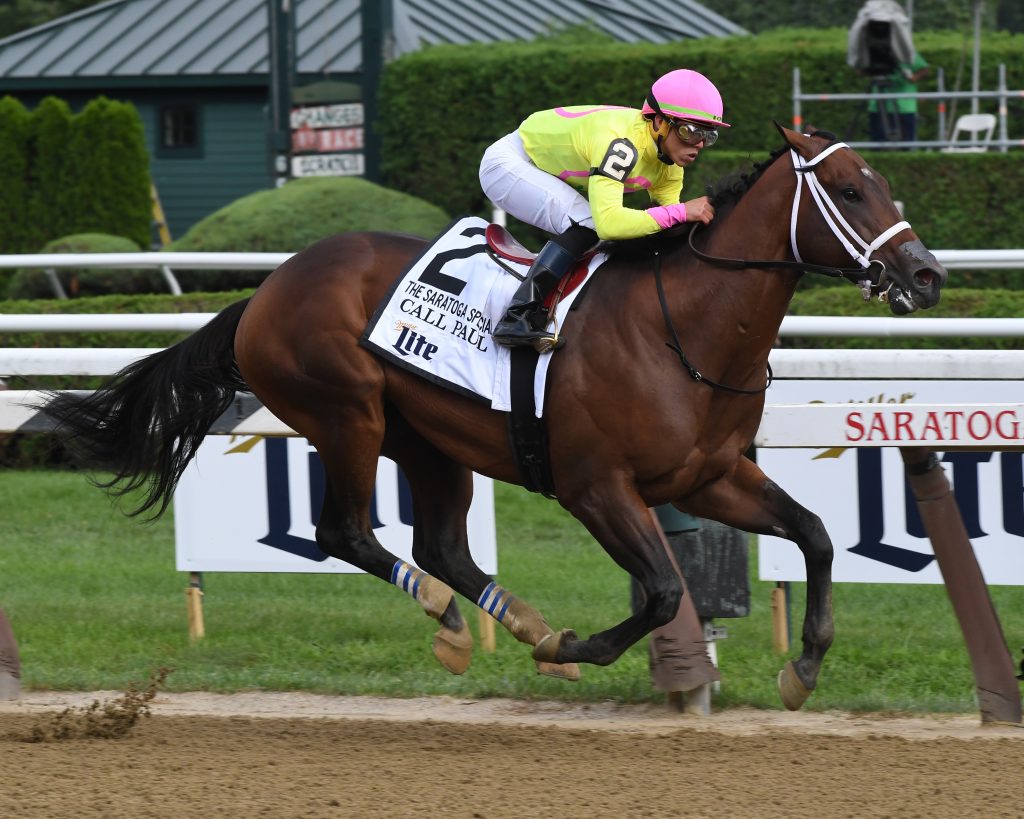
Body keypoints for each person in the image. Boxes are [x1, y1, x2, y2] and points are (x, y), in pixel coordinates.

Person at [478, 69, 729, 351]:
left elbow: (665, 225)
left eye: (709, 136)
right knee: (588, 224)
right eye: (690, 131)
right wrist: (683, 212)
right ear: (659, 121)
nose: (698, 145)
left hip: (541, 169)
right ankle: (518, 316)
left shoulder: (670, 166)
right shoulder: (622, 144)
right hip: (508, 164)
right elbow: (609, 223)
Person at [868, 51, 929, 144]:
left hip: (904, 106)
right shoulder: (873, 54)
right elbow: (860, 70)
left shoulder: (905, 52)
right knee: (878, 143)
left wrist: (912, 78)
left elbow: (924, 69)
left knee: (906, 144)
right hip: (878, 106)